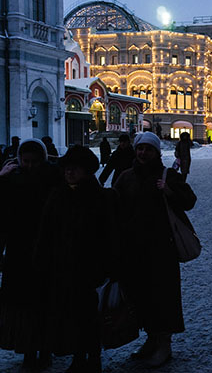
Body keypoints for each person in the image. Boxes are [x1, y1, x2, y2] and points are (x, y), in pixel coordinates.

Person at [114, 131, 197, 368]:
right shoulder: (126, 177)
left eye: (148, 149)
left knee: (163, 297)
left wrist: (168, 191)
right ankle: (151, 340)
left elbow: (189, 200)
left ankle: (164, 345)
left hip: (162, 249)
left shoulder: (167, 175)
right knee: (141, 297)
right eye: (140, 148)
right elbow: (114, 206)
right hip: (134, 248)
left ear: (156, 152)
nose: (143, 153)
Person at [35, 145, 118, 373]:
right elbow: (46, 231)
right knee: (69, 314)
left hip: (88, 269)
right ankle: (79, 356)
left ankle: (92, 358)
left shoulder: (99, 197)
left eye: (75, 169)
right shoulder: (58, 195)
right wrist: (42, 260)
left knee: (88, 317)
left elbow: (108, 234)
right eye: (67, 169)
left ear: (87, 171)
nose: (69, 173)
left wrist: (108, 267)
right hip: (61, 266)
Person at [0, 139, 61, 372]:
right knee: (22, 306)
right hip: (18, 252)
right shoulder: (12, 180)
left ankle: (44, 350)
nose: (30, 166)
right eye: (25, 161)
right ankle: (28, 350)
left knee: (44, 304)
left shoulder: (53, 179)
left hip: (46, 251)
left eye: (34, 162)